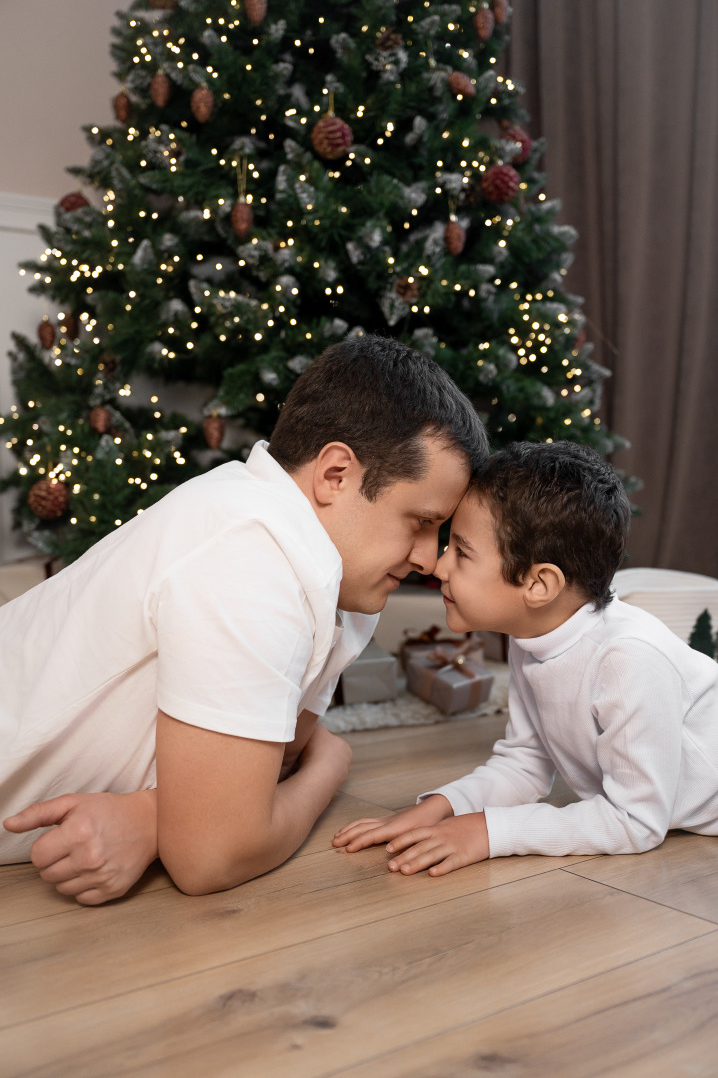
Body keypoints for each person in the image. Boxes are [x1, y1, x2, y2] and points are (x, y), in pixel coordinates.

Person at [0, 334, 488, 903]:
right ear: (336, 475)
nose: (429, 559)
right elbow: (215, 853)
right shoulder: (248, 551)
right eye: (420, 521)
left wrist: (153, 815)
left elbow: (275, 761)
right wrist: (332, 764)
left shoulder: (338, 580)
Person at [334, 441, 718, 875]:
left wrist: (488, 832)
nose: (438, 568)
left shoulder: (629, 659)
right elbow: (524, 765)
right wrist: (440, 808)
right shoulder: (531, 637)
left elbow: (635, 821)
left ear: (539, 585)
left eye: (461, 552)